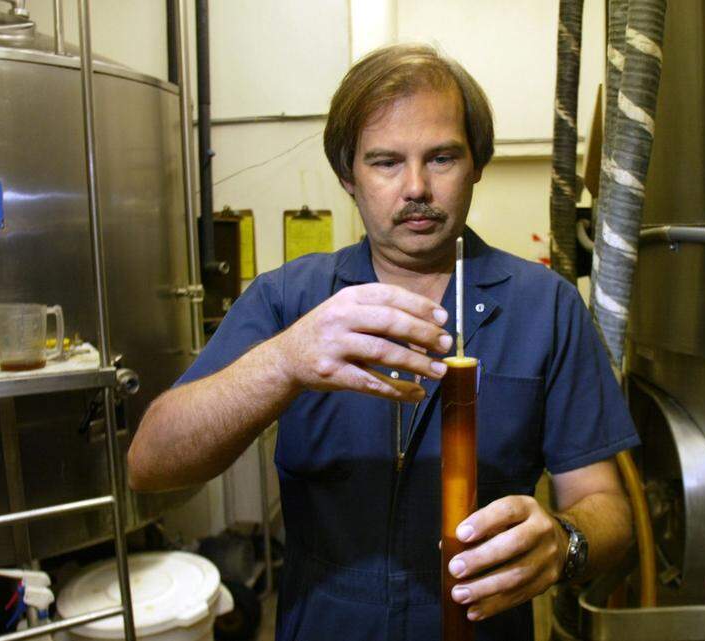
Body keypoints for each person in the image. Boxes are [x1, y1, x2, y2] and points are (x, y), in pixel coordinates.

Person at [128, 43, 639, 641]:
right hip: (325, 621)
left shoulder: (546, 307)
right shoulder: (289, 299)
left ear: (478, 163)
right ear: (349, 176)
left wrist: (564, 541)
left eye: (442, 157)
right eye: (386, 162)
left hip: (478, 624)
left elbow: (607, 508)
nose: (416, 186)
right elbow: (151, 463)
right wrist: (286, 361)